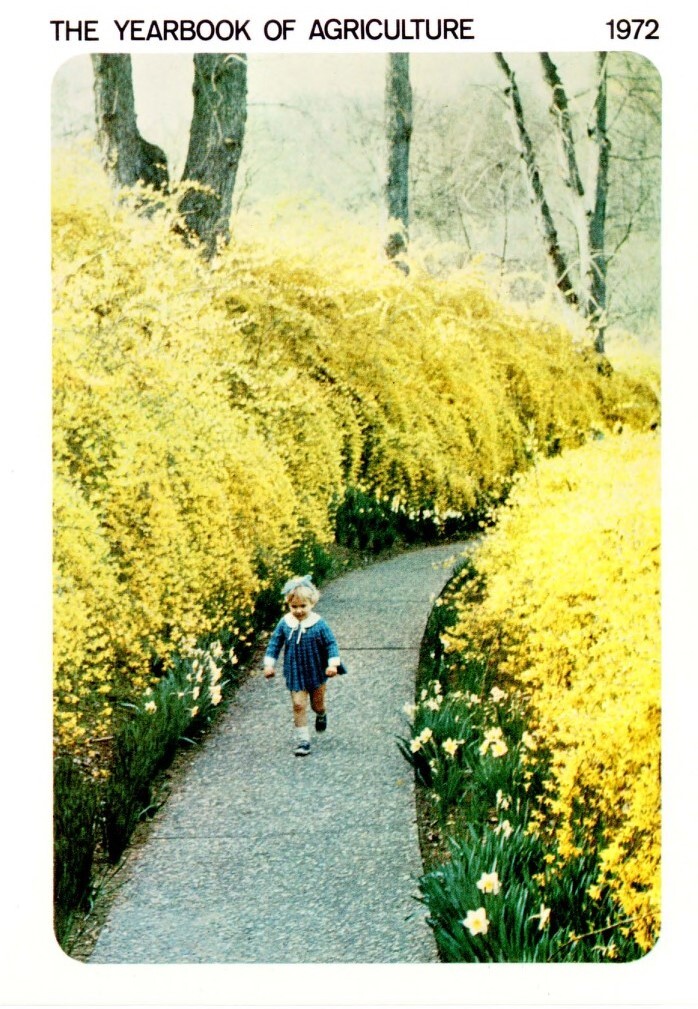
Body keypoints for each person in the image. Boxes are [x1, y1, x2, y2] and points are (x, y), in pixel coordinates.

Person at [263, 575, 342, 756]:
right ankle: (303, 741)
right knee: (298, 705)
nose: (298, 611)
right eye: (294, 607)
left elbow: (331, 644)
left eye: (303, 606)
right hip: (295, 670)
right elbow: (275, 643)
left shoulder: (319, 624)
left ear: (312, 603)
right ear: (288, 605)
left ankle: (321, 714)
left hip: (316, 670)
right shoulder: (285, 623)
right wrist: (269, 664)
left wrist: (332, 665)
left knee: (317, 705)